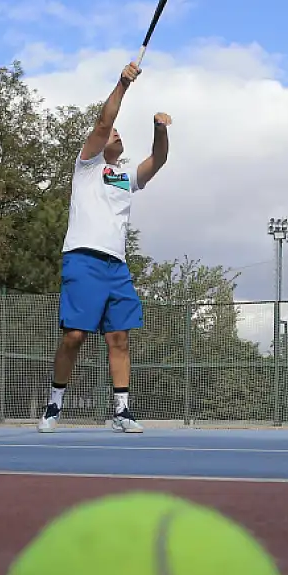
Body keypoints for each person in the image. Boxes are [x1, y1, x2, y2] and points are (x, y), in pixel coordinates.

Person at [38, 61, 172, 434]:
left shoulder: (124, 178)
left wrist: (159, 129)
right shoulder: (86, 167)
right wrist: (122, 84)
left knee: (119, 337)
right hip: (82, 258)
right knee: (74, 336)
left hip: (116, 266)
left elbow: (159, 159)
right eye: (110, 131)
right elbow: (101, 123)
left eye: (118, 131)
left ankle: (122, 411)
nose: (114, 132)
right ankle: (54, 403)